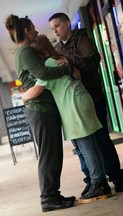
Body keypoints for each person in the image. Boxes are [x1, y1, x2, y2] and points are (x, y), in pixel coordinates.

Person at [22, 35, 112, 203]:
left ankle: (98, 182)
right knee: (92, 142)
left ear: (38, 53)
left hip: (73, 106)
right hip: (83, 100)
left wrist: (24, 97)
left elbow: (36, 90)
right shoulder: (62, 58)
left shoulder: (48, 65)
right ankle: (101, 182)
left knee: (85, 146)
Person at [4, 14, 78, 212]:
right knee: (49, 155)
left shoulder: (27, 50)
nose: (37, 31)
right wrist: (65, 71)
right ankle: (48, 199)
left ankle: (53, 194)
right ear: (27, 31)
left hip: (43, 108)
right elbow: (43, 74)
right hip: (39, 109)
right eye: (34, 28)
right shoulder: (25, 50)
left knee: (53, 154)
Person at [49, 12, 123, 194]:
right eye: (53, 29)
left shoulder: (82, 39)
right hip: (74, 103)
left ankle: (117, 177)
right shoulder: (57, 50)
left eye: (57, 26)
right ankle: (93, 180)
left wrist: (70, 62)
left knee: (102, 140)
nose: (55, 31)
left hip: (94, 98)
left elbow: (93, 62)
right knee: (83, 145)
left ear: (67, 23)